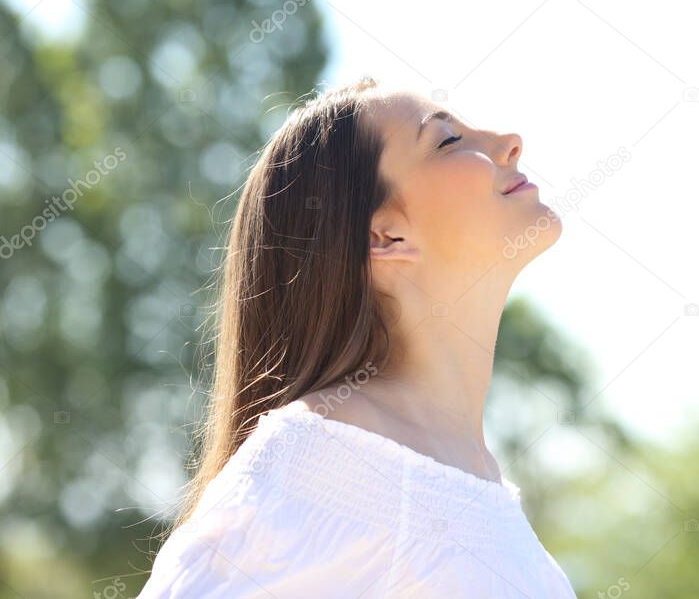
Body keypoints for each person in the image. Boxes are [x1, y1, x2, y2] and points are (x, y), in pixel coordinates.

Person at [138, 77, 574, 597]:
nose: (509, 139)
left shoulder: (483, 489)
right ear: (384, 236)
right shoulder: (321, 459)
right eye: (447, 140)